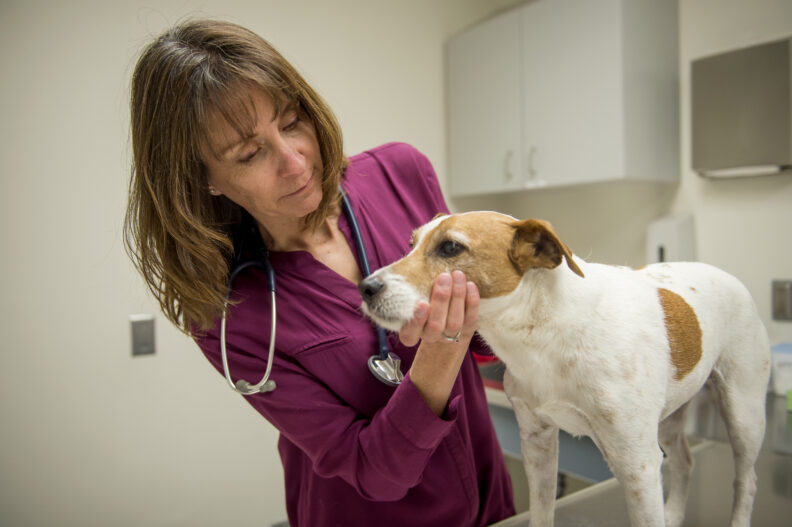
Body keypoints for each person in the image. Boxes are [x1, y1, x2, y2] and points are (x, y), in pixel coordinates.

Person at [124, 19, 515, 527]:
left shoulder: (400, 173)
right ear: (204, 180)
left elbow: (485, 339)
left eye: (290, 122)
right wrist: (440, 351)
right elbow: (374, 472)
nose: (294, 161)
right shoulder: (229, 317)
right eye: (249, 153)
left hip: (491, 504)